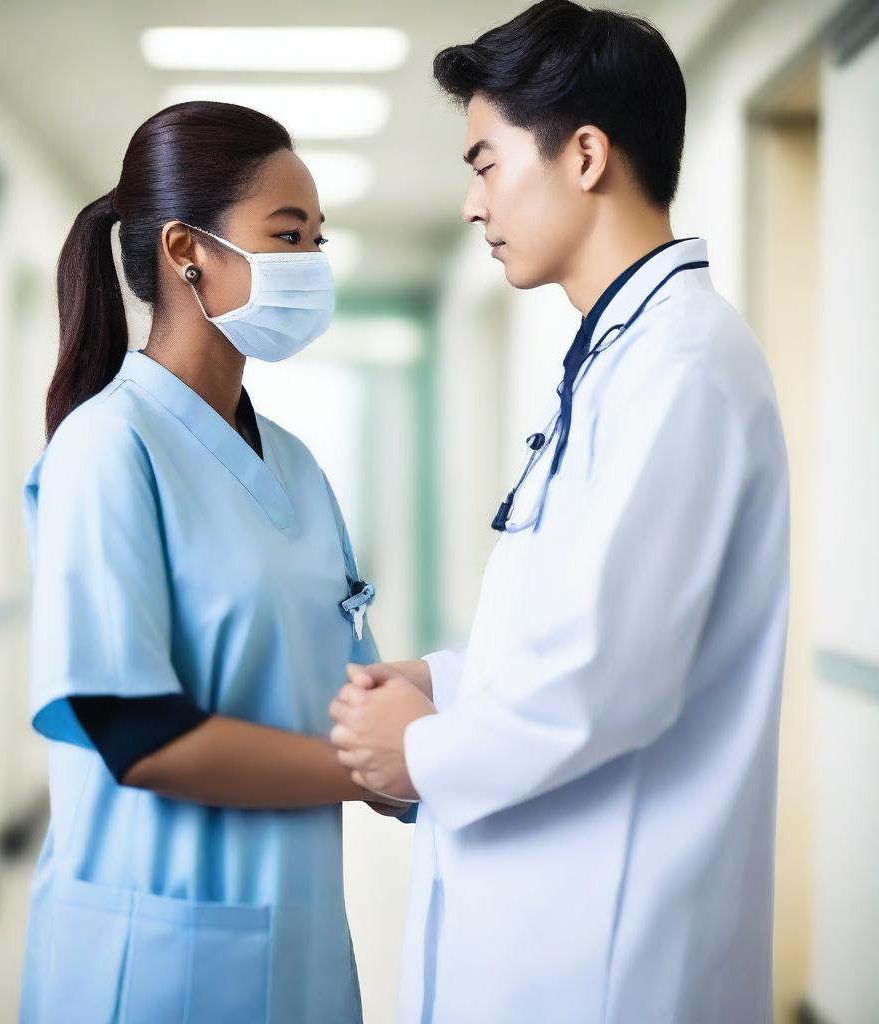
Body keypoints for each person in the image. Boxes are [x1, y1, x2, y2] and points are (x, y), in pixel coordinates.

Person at [329, 2, 790, 1021]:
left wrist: (420, 750)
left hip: (611, 954)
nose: (469, 202)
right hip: (560, 921)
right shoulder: (617, 356)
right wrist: (437, 681)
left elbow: (608, 679)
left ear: (583, 154)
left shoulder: (681, 365)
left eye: (485, 162)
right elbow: (574, 622)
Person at [19, 100, 411, 1024]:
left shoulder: (298, 466)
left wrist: (463, 741)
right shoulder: (107, 448)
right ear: (185, 250)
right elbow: (135, 731)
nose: (311, 265)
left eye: (317, 239)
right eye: (286, 235)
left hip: (300, 943)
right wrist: (387, 770)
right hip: (155, 956)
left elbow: (353, 695)